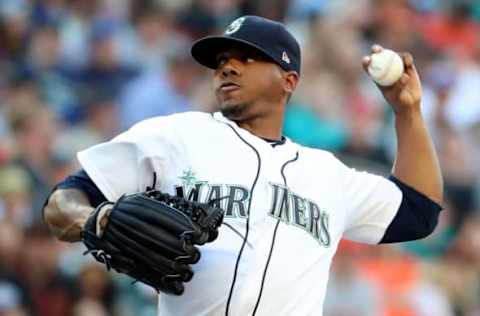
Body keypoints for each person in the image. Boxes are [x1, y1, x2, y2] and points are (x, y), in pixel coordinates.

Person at [43, 15, 443, 316]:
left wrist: (408, 112)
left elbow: (419, 210)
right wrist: (93, 220)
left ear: (289, 81)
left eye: (247, 58)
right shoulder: (175, 135)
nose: (227, 68)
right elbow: (63, 201)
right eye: (221, 61)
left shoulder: (326, 174)